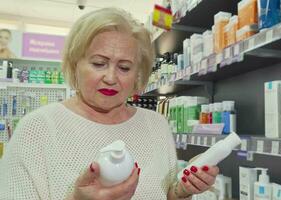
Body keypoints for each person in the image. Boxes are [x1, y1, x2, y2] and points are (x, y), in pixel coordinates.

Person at [0, 7, 219, 200]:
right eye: (99, 63)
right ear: (75, 63)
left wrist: (183, 190)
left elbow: (167, 195)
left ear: (138, 75)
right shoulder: (37, 129)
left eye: (124, 67)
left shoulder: (156, 125)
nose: (111, 77)